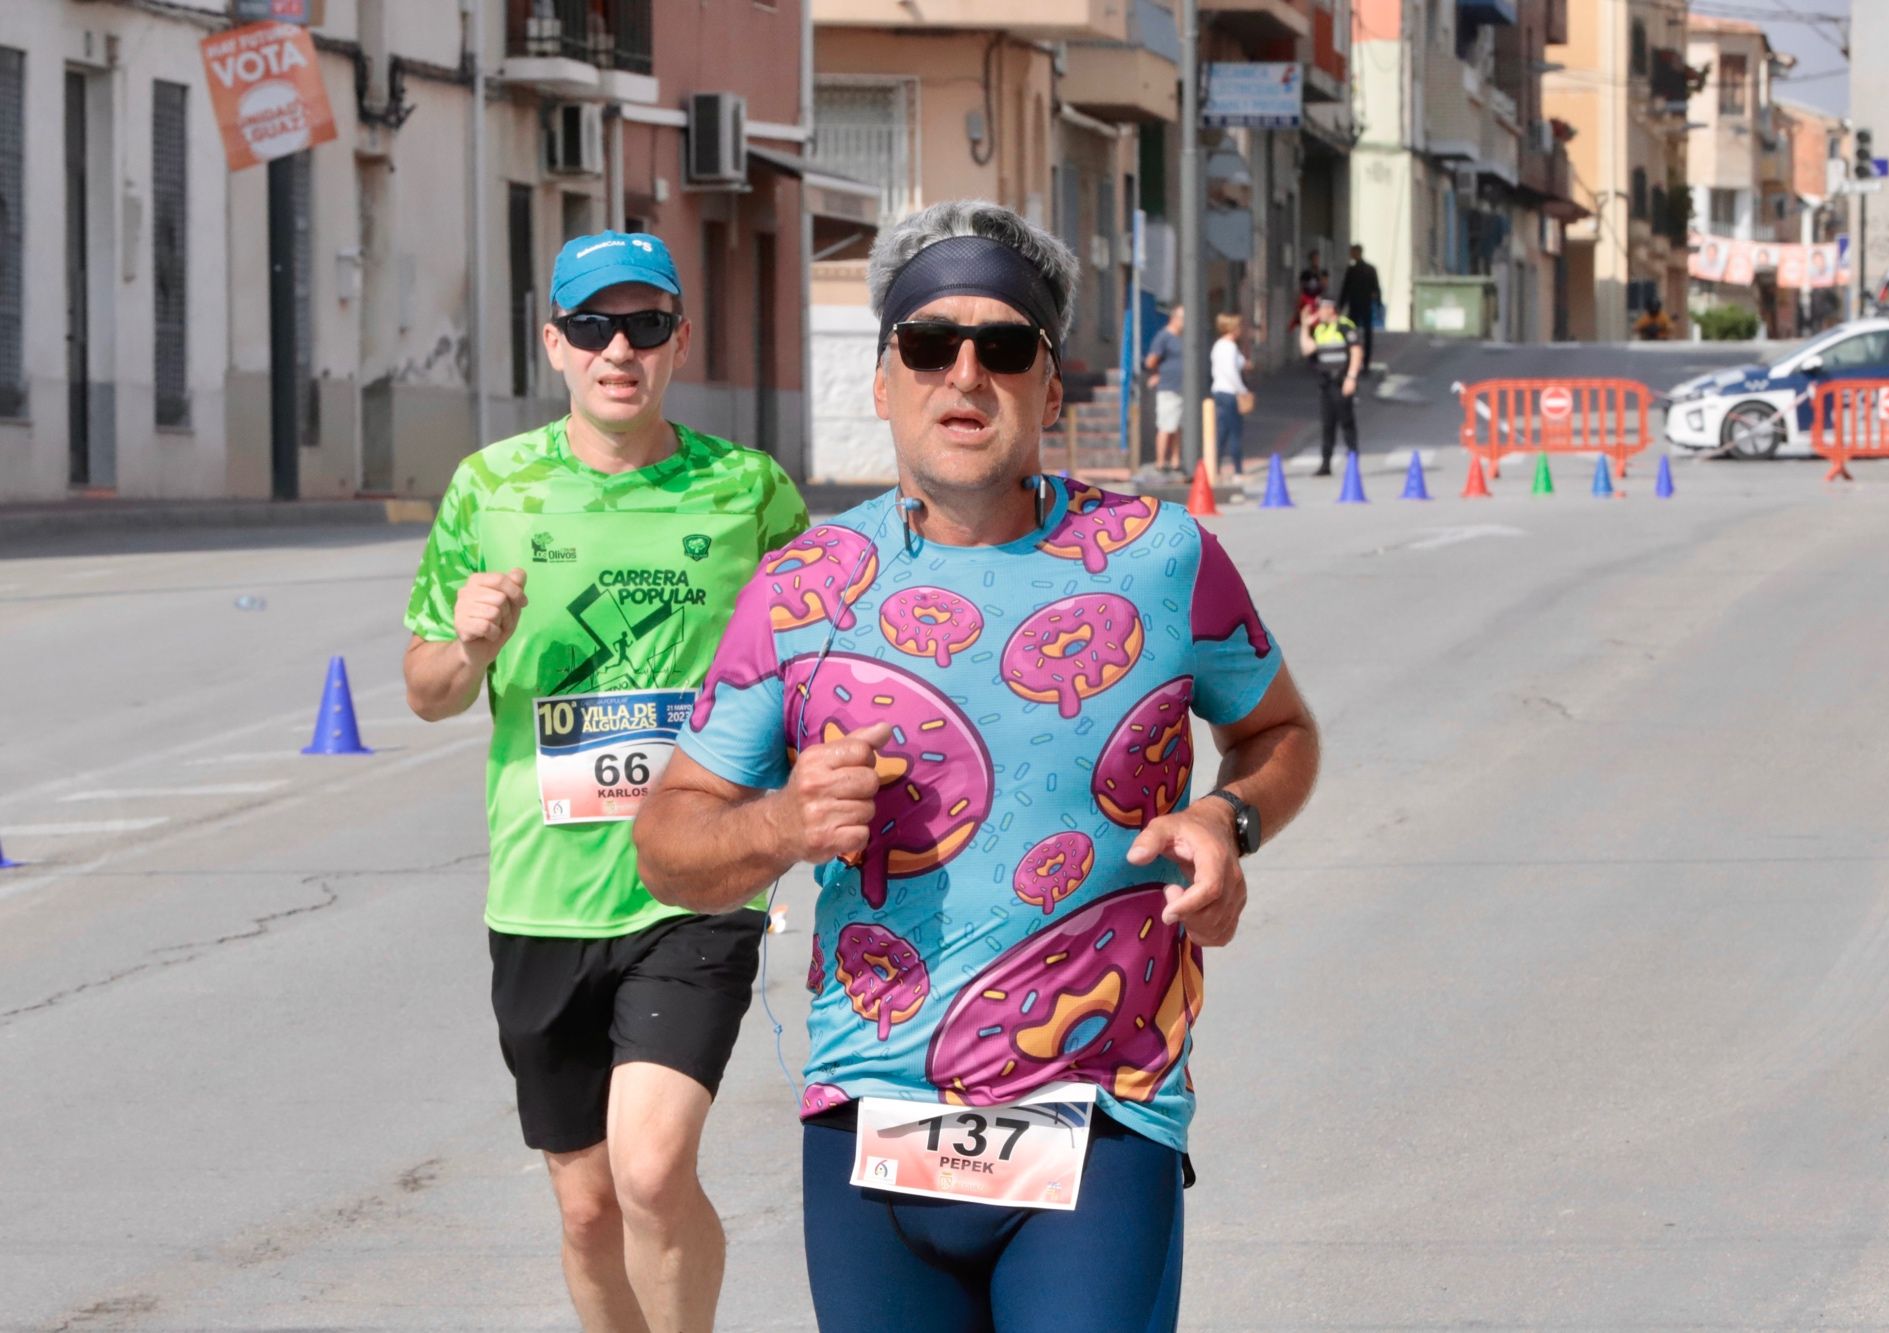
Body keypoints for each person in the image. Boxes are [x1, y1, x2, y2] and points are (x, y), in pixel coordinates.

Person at [632, 199, 1321, 1333]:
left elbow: (1278, 735)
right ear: (883, 379)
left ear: (1050, 389)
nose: (965, 373)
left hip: (1100, 1113)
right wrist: (780, 826)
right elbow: (668, 841)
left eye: (1004, 347)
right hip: (870, 1121)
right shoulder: (801, 589)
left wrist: (1226, 819)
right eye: (927, 344)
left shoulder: (1161, 558)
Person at [401, 229, 809, 1333]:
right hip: (540, 897)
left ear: (679, 340)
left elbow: (817, 658)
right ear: (555, 345)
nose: (616, 349)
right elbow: (427, 690)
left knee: (649, 1169)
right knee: (586, 1211)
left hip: (695, 887)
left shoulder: (749, 492)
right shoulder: (489, 487)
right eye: (591, 326)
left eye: (642, 325)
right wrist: (471, 645)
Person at [1300, 295, 1361, 476]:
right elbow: (1307, 349)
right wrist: (1304, 326)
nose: (1318, 313)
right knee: (1327, 424)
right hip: (1325, 383)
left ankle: (1353, 461)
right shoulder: (1319, 329)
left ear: (1330, 309)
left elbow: (1356, 351)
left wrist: (1351, 377)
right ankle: (1325, 463)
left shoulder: (1344, 326)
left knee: (1346, 422)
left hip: (1341, 381)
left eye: (1320, 309)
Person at [1144, 304, 1186, 475]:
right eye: (1183, 319)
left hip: (1181, 388)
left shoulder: (1182, 338)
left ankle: (1175, 460)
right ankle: (1160, 462)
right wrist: (1157, 374)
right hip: (1168, 387)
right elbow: (1151, 361)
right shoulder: (1164, 337)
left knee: (1177, 426)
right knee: (1165, 425)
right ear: (1174, 318)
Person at [1210, 313, 1251, 479]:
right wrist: (1242, 390)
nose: (1241, 330)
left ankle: (1216, 465)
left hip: (1219, 390)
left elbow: (1239, 363)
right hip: (1229, 392)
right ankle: (1238, 469)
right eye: (1239, 327)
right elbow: (1231, 372)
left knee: (1223, 431)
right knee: (1235, 431)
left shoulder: (1220, 345)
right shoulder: (1229, 347)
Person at [1336, 243, 1381, 373]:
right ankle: (1364, 363)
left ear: (1357, 253)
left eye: (1352, 252)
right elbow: (1376, 289)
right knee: (1365, 335)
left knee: (1352, 335)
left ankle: (1353, 361)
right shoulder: (1368, 269)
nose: (1351, 255)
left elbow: (1346, 289)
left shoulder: (1354, 270)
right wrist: (1377, 304)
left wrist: (1340, 306)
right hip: (1364, 306)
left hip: (1357, 306)